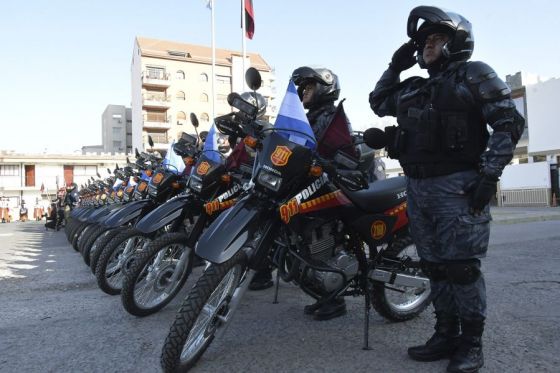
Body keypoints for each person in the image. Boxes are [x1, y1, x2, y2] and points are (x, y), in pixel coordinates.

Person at [369, 6, 525, 373]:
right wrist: (396, 65)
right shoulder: (414, 87)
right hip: (418, 188)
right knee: (434, 267)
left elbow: (508, 122)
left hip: (456, 187)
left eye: (436, 39)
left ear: (457, 42)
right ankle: (445, 333)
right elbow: (378, 102)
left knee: (461, 269)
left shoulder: (474, 74)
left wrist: (489, 174)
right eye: (423, 42)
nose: (427, 46)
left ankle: (471, 344)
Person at [250, 66, 351, 322]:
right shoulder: (306, 118)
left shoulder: (330, 118)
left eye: (309, 87)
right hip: (300, 185)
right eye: (303, 88)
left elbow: (338, 151)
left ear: (325, 88)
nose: (304, 92)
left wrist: (329, 161)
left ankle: (334, 296)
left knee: (319, 241)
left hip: (324, 188)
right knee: (300, 242)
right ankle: (322, 292)